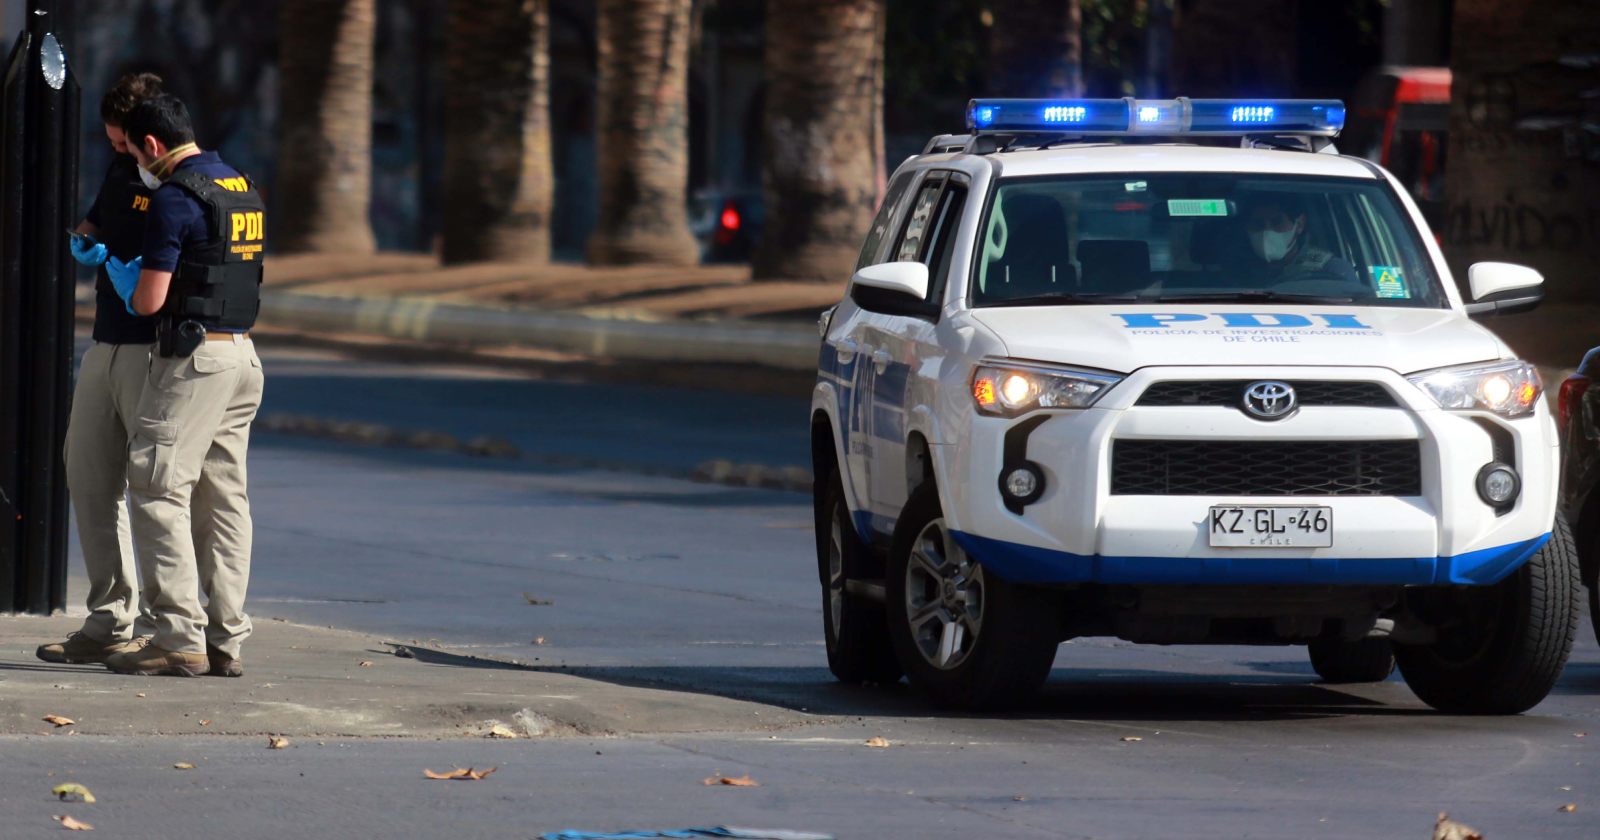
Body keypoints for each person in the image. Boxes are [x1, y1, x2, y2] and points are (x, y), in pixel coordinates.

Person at [101, 93, 266, 678]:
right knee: (224, 499)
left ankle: (177, 636)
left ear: (151, 145)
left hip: (193, 362)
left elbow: (148, 300)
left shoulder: (174, 197)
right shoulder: (240, 186)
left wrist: (120, 276)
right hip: (243, 357)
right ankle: (226, 638)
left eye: (133, 151)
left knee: (156, 487)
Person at [35, 73, 164, 667]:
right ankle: (109, 615)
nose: (118, 152)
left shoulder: (181, 183)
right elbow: (94, 224)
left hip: (154, 346)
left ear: (149, 137)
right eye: (112, 143)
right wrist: (79, 242)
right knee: (86, 471)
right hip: (106, 338)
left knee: (156, 487)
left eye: (124, 143)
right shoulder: (120, 173)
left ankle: (168, 628)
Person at [1239, 193, 1358, 285]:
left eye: (1277, 223)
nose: (1267, 231)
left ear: (1299, 224)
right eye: (1258, 224)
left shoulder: (1331, 270)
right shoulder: (1234, 272)